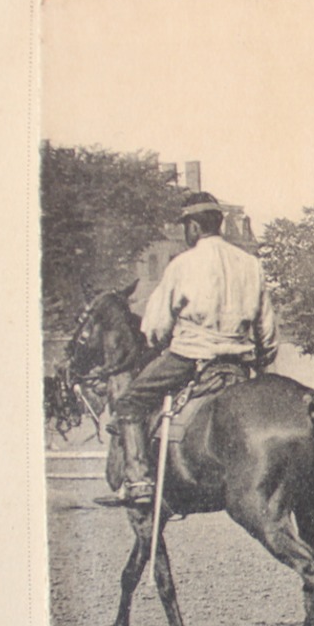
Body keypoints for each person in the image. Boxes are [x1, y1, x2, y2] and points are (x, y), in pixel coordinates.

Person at [108, 192, 277, 506]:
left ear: (195, 227)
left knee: (129, 403)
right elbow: (267, 329)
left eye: (186, 226)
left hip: (188, 358)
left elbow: (155, 326)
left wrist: (161, 343)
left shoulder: (182, 265)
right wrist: (263, 363)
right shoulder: (252, 265)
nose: (186, 233)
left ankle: (140, 480)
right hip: (238, 363)